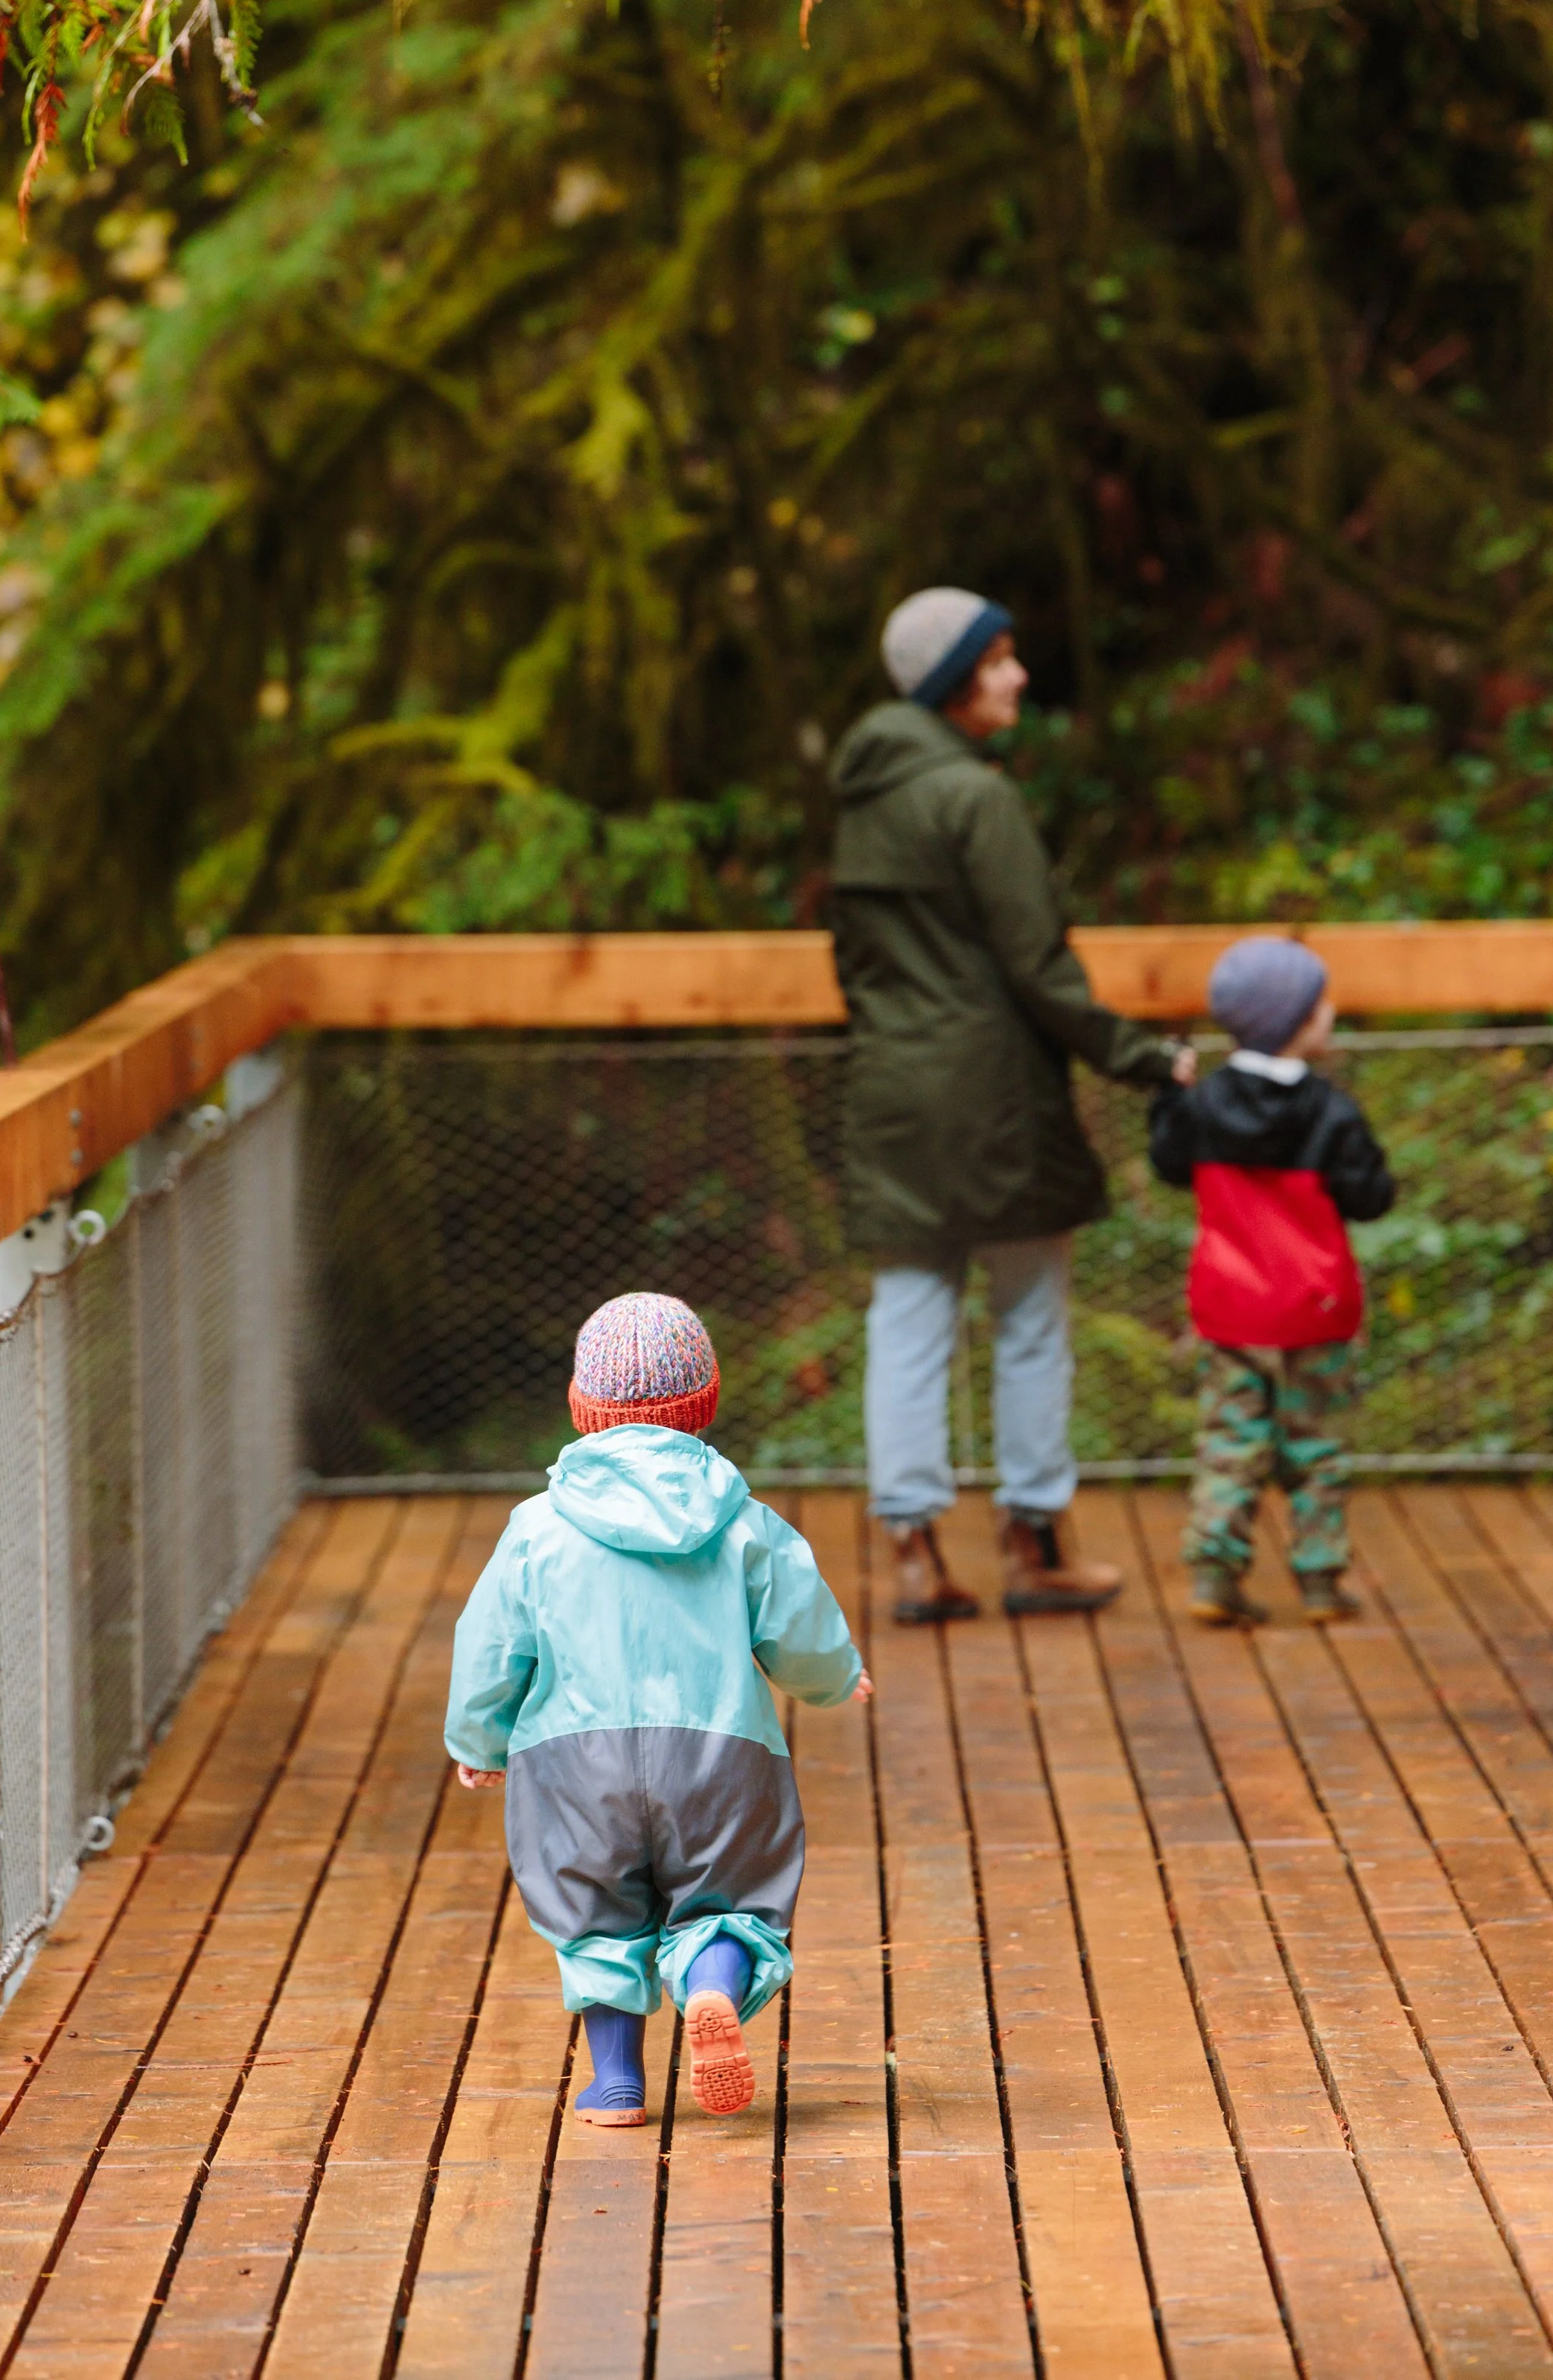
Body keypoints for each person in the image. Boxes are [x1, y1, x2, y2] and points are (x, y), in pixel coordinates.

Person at [827, 585, 1193, 1625]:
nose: (1018, 676)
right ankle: (1035, 1545)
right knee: (1029, 1318)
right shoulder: (976, 798)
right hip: (996, 1093)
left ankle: (912, 1551)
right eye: (997, 661)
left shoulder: (864, 798)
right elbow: (1040, 970)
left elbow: (858, 964)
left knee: (907, 1320)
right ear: (952, 681)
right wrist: (1146, 1061)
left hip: (896, 1088)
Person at [444, 1291, 869, 2128]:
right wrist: (833, 1679)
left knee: (595, 1918)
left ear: (579, 1406)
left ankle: (616, 2085)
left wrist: (481, 1741)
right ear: (705, 1404)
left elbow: (492, 1644)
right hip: (720, 1755)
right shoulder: (744, 1524)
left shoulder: (537, 1530)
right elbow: (798, 1624)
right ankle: (711, 1980)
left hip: (573, 1763)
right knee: (731, 1901)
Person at [1149, 936, 1395, 1628]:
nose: (1331, 1011)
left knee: (1232, 1439)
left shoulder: (1202, 1106)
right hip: (1315, 1309)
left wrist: (1170, 1097)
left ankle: (1214, 1574)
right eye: (1321, 1004)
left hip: (1231, 1308)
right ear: (1296, 1021)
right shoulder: (1331, 1112)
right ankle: (1320, 1580)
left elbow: (1168, 1162)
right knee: (1314, 1442)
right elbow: (1372, 1197)